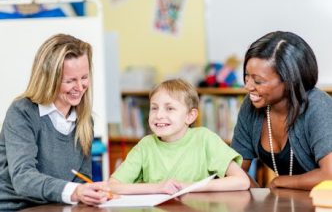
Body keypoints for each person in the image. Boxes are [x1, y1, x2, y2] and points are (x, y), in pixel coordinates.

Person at [0, 34, 109, 210]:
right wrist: (75, 191)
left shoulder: (84, 120)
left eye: (84, 77)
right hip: (16, 208)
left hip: (56, 207)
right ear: (49, 80)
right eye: (70, 80)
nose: (80, 88)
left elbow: (82, 179)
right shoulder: (23, 112)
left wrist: (89, 192)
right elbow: (23, 178)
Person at [108, 79, 250, 194]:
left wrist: (187, 186)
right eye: (154, 108)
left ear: (190, 116)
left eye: (170, 108)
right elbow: (112, 186)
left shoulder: (205, 139)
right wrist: (158, 187)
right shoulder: (145, 146)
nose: (159, 115)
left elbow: (241, 181)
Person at [231, 31, 332, 190]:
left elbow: (329, 175)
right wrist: (259, 197)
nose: (248, 86)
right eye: (246, 76)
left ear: (289, 80)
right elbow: (234, 170)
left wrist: (279, 182)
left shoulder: (318, 106)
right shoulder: (251, 105)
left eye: (258, 81)